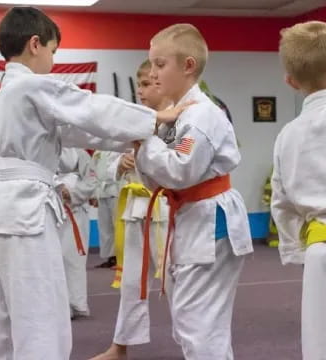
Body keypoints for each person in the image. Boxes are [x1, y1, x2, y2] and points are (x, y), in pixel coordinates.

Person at [0, 6, 187, 360]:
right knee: (39, 313)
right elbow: (89, 108)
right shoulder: (29, 85)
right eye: (53, 50)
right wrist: (156, 117)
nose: (53, 60)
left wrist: (133, 138)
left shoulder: (11, 91)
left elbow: (73, 130)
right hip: (25, 208)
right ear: (35, 44)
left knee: (0, 317)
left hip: (5, 209)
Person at [134, 24, 253, 359]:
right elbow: (158, 179)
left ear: (188, 66)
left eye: (160, 64)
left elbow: (179, 171)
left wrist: (144, 141)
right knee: (193, 321)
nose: (153, 74)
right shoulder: (176, 115)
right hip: (192, 218)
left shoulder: (201, 115)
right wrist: (148, 143)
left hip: (209, 221)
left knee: (199, 324)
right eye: (151, 65)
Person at [90, 59, 172, 360]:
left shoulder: (177, 123)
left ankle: (197, 345)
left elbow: (178, 167)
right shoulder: (134, 122)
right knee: (131, 282)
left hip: (165, 211)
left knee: (174, 281)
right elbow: (107, 163)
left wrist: (140, 160)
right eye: (139, 85)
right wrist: (119, 165)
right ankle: (120, 345)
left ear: (163, 84)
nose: (141, 90)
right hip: (136, 210)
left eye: (147, 84)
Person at [271, 20, 326, 360]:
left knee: (323, 342)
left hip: (320, 249)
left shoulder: (287, 135)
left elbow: (282, 203)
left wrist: (297, 250)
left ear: (291, 82)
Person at [57, 148, 97, 318]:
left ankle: (77, 302)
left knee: (75, 259)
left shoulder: (81, 153)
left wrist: (73, 193)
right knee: (56, 259)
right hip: (54, 209)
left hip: (76, 211)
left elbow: (91, 181)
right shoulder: (45, 148)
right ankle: (60, 304)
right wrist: (58, 188)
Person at [92, 150, 120, 269]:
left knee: (118, 226)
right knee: (105, 228)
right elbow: (93, 172)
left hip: (117, 190)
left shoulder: (121, 148)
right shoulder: (98, 152)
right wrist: (93, 194)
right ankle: (111, 257)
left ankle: (121, 257)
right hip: (102, 192)